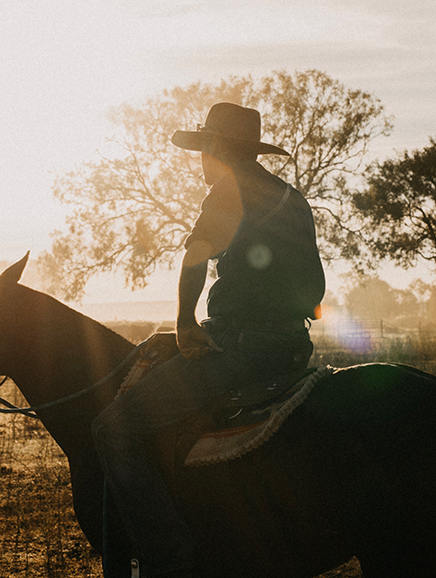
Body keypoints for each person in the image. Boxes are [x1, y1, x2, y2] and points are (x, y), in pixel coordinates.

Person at [90, 102, 325, 578]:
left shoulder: (229, 189)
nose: (200, 160)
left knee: (113, 429)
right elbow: (311, 291)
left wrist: (184, 321)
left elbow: (196, 254)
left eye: (204, 148)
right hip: (293, 346)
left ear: (218, 148)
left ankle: (167, 558)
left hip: (242, 348)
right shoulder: (292, 199)